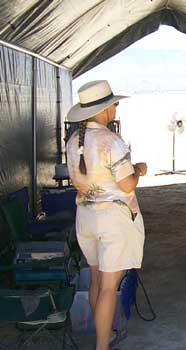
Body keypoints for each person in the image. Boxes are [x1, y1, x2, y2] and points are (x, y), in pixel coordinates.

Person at [66, 80, 147, 350]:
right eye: (113, 104)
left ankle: (107, 332)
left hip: (85, 218)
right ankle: (102, 345)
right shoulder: (110, 140)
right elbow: (127, 185)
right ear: (103, 110)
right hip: (112, 220)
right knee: (109, 289)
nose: (115, 108)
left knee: (97, 281)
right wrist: (139, 170)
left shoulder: (73, 141)